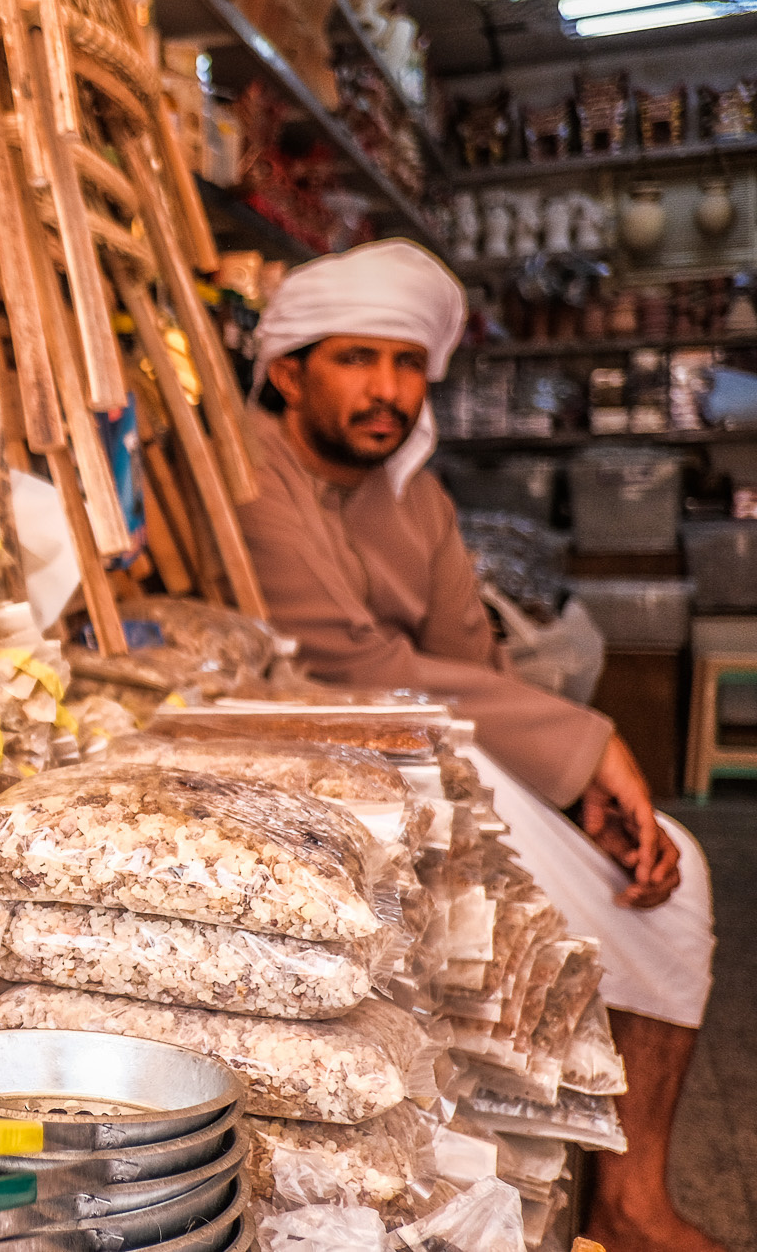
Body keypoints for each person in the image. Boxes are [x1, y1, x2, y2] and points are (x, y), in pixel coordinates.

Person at [234, 239, 720, 1252]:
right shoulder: (247, 473)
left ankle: (630, 1206)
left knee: (670, 882)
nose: (387, 390)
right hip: (303, 750)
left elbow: (469, 656)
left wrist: (573, 778)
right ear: (286, 372)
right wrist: (583, 747)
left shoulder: (413, 492)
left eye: (407, 365)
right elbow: (341, 658)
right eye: (356, 360)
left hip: (436, 742)